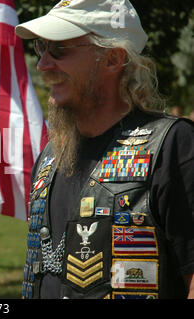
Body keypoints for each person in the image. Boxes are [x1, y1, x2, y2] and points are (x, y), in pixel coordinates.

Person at [15, 0, 193, 299]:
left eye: (59, 49)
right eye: (41, 48)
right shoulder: (51, 157)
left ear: (112, 59)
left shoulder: (172, 146)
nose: (43, 64)